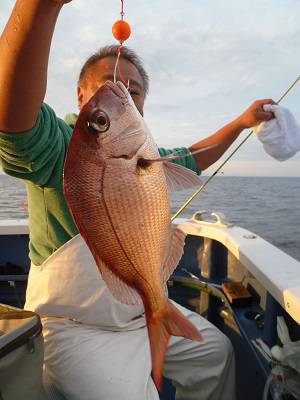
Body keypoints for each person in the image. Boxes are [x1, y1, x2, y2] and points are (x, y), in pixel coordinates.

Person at [0, 1, 275, 399]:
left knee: (215, 355)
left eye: (134, 90)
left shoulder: (148, 156)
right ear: (80, 96)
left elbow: (196, 156)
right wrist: (39, 8)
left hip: (140, 309)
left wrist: (243, 122)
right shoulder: (60, 144)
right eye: (107, 83)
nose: (123, 90)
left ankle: (156, 317)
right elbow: (12, 120)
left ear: (141, 106)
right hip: (76, 326)